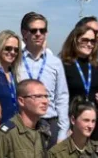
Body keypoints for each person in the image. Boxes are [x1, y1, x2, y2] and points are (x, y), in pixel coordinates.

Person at [17, 12, 70, 148]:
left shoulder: (55, 63)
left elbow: (62, 98)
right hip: (22, 124)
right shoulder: (16, 61)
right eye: (34, 30)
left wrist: (62, 132)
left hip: (49, 124)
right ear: (24, 33)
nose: (38, 34)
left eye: (42, 30)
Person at [60, 25, 98, 140]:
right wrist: (64, 128)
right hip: (72, 126)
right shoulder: (63, 65)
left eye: (92, 41)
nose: (89, 44)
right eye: (85, 40)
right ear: (74, 40)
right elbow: (59, 100)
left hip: (95, 126)